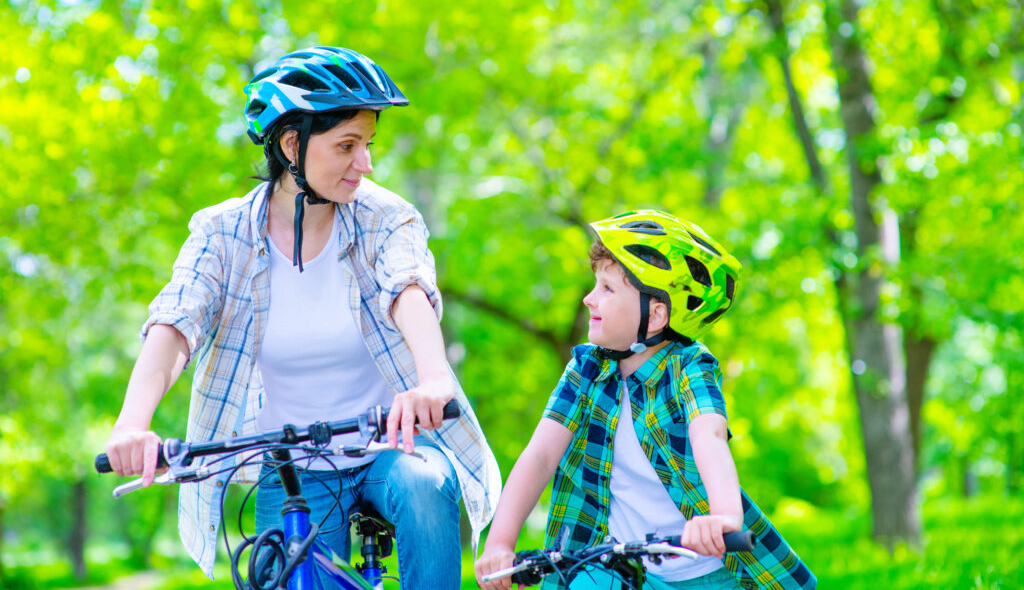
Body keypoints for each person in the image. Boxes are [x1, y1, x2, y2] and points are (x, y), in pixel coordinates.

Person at [103, 46, 500, 588]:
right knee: (288, 570)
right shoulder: (221, 234)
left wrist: (432, 378)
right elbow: (177, 321)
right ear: (292, 145)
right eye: (347, 145)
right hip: (291, 465)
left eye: (368, 145)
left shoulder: (386, 218)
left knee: (423, 485)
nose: (366, 164)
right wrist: (132, 423)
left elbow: (408, 287)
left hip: (391, 448)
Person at [475, 210, 815, 589]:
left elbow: (709, 434)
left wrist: (723, 516)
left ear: (654, 316)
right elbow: (540, 456)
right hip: (618, 565)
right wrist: (500, 542)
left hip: (705, 571)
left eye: (607, 289)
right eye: (595, 284)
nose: (589, 299)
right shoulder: (585, 370)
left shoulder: (688, 367)